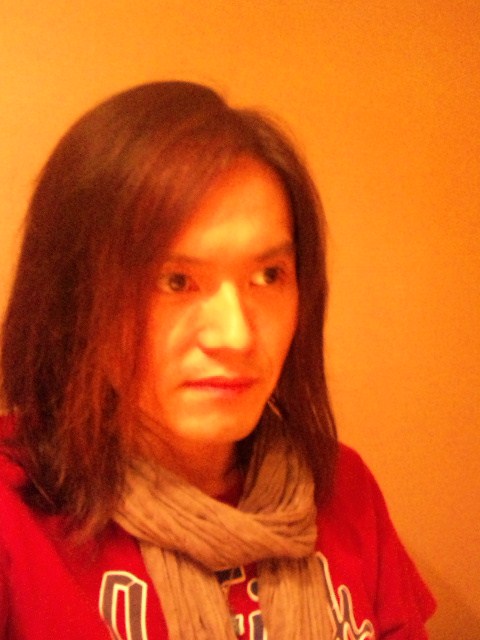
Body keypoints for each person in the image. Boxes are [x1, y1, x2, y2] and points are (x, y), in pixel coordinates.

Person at [0, 81, 435, 639]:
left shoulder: (341, 487)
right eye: (175, 281)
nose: (236, 335)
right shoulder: (16, 517)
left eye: (268, 276)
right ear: (74, 296)